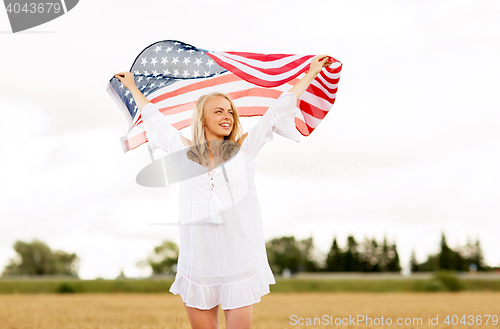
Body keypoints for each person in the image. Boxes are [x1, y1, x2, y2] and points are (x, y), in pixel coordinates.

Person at [114, 54, 332, 329]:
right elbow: (154, 120)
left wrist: (310, 74)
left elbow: (277, 111)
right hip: (198, 263)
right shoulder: (183, 153)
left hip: (238, 259)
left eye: (230, 112)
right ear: (202, 118)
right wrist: (133, 88)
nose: (227, 116)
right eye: (218, 111)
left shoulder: (244, 149)